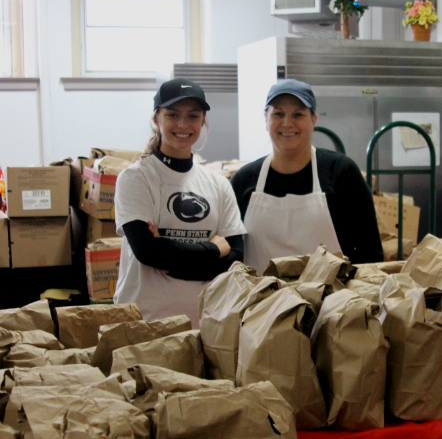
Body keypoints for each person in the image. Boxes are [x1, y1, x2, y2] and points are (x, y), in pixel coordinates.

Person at [113, 78, 246, 326]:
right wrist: (214, 249)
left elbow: (235, 259)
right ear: (157, 119)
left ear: (202, 121)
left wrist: (172, 262)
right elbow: (148, 253)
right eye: (173, 114)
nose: (183, 124)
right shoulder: (136, 178)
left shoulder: (218, 185)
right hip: (145, 322)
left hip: (206, 323)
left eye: (193, 116)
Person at [231, 79, 383, 274]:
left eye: (298, 114)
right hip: (260, 301)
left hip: (330, 301)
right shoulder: (244, 180)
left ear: (313, 120)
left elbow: (370, 253)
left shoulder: (341, 172)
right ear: (266, 120)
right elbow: (233, 255)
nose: (287, 123)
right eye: (278, 114)